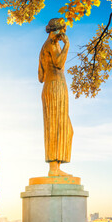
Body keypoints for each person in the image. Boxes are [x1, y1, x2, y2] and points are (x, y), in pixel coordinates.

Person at [38, 18, 73, 176]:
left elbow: (40, 76)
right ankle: (54, 167)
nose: (65, 33)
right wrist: (67, 46)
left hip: (50, 86)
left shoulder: (44, 47)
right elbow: (59, 63)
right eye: (64, 29)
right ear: (59, 29)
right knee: (57, 126)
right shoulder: (52, 44)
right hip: (56, 87)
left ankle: (56, 167)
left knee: (63, 128)